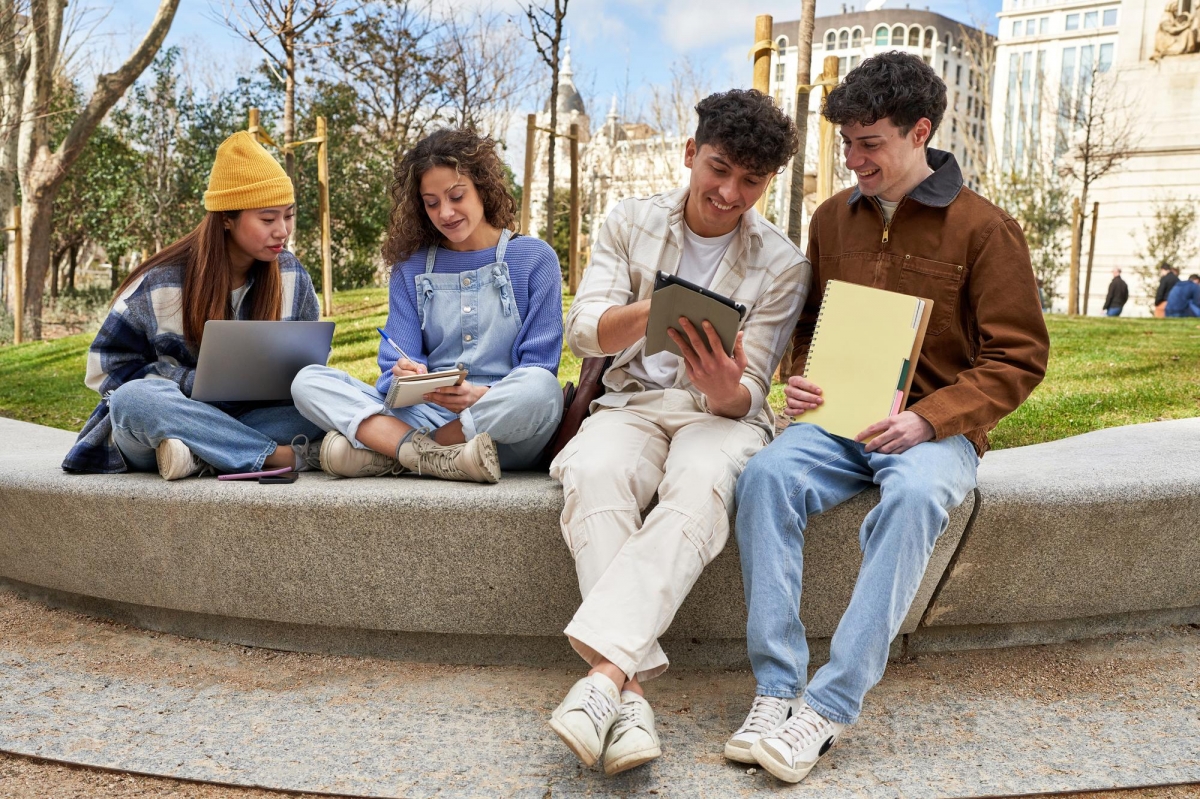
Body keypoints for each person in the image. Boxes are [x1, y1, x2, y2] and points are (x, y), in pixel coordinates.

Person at [727, 53, 1049, 785]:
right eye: (845, 142)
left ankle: (830, 705)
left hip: (933, 433)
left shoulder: (985, 230)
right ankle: (776, 689)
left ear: (920, 132)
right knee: (767, 475)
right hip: (838, 422)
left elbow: (1019, 356)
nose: (853, 158)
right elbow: (807, 325)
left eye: (868, 143)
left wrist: (930, 419)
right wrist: (799, 377)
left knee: (911, 496)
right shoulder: (829, 220)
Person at [547, 89, 809, 776]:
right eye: (718, 169)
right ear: (691, 153)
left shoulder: (783, 263)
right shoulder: (628, 221)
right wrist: (657, 311)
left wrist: (724, 382)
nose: (729, 192)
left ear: (768, 181)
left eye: (750, 181)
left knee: (701, 482)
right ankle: (629, 691)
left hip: (715, 416)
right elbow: (584, 327)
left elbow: (748, 392)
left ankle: (604, 680)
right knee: (594, 470)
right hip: (631, 400)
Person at [290, 129, 563, 483]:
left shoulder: (534, 258)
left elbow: (540, 366)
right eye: (431, 202)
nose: (445, 212)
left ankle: (398, 452)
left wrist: (480, 395)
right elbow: (392, 371)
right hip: (426, 413)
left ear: (483, 188)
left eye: (456, 196)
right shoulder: (411, 267)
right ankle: (430, 456)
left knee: (543, 389)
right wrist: (403, 373)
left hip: (504, 426)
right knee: (307, 381)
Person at [62, 132, 325, 479]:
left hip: (253, 417)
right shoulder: (162, 282)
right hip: (170, 417)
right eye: (267, 219)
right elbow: (106, 369)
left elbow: (308, 368)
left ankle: (198, 455)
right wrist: (189, 383)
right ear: (227, 219)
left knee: (325, 402)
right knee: (134, 400)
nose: (282, 231)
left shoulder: (292, 275)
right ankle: (277, 456)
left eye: (288, 216)